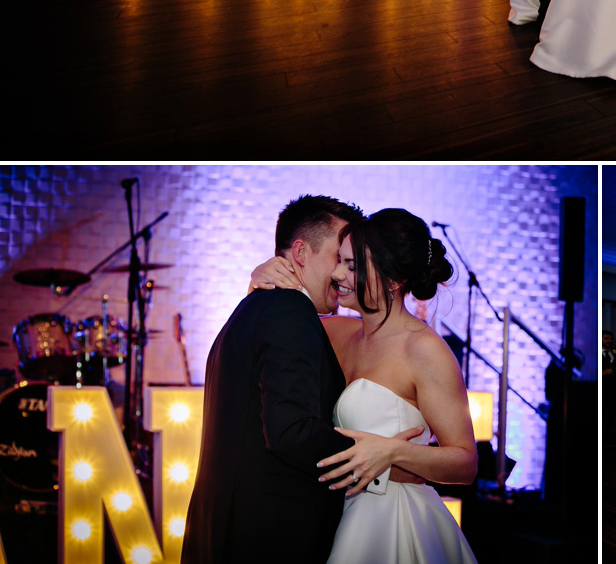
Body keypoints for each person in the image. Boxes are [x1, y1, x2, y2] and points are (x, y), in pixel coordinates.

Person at [247, 207, 478, 564]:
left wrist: (393, 452)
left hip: (396, 522)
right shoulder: (334, 331)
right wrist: (258, 281)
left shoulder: (425, 350)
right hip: (335, 515)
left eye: (353, 266)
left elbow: (465, 463)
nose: (338, 273)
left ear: (393, 280)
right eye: (340, 260)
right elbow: (269, 333)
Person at [181, 195, 369, 564]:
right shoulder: (289, 311)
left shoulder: (254, 307)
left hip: (227, 531)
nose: (346, 272)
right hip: (268, 536)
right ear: (301, 252)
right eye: (340, 257)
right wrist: (374, 459)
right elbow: (291, 432)